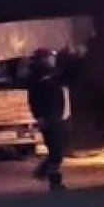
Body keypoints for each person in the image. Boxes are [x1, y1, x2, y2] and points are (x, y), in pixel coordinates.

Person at [27, 48, 70, 191]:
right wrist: (40, 117)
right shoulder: (38, 79)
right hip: (49, 118)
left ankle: (45, 174)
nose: (52, 60)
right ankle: (53, 181)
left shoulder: (51, 76)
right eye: (49, 57)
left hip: (56, 117)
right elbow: (34, 100)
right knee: (56, 151)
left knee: (57, 150)